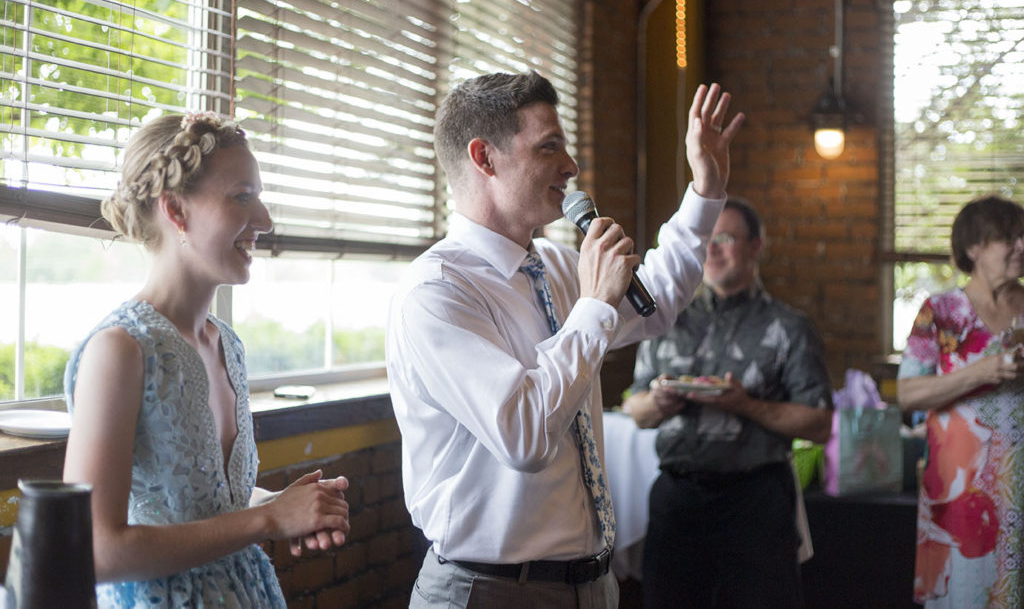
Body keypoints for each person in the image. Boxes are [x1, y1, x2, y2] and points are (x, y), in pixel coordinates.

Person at [386, 70, 743, 609]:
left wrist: (706, 191)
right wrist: (595, 305)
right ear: (485, 158)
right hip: (490, 590)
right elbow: (524, 435)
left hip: (591, 585)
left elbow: (659, 302)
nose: (572, 168)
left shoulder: (555, 263)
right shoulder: (436, 292)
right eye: (549, 147)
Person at [62, 112, 351, 607]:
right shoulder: (119, 349)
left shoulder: (227, 344)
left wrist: (290, 506)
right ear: (175, 209)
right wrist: (269, 520)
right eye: (242, 197)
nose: (264, 220)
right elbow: (91, 549)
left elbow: (212, 507)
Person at [621, 197, 833, 609]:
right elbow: (636, 410)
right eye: (705, 240)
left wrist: (747, 405)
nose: (711, 249)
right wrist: (660, 401)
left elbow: (819, 423)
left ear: (756, 246)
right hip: (677, 497)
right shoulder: (666, 320)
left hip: (756, 500)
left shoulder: (789, 327)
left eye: (725, 238)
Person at [896, 194, 1024, 608]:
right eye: (1008, 238)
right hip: (962, 493)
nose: (1021, 246)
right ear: (974, 248)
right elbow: (908, 393)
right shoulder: (942, 312)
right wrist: (982, 372)